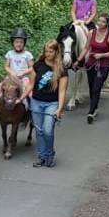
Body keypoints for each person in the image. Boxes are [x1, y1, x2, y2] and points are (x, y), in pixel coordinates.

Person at [29, 38, 67, 168]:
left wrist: (60, 108)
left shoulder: (61, 69)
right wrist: (21, 97)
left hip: (52, 103)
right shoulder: (38, 64)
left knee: (47, 130)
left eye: (51, 51)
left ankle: (50, 154)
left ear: (56, 52)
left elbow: (62, 91)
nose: (48, 54)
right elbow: (31, 84)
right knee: (39, 131)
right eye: (46, 51)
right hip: (36, 101)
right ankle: (42, 156)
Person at [0, 28, 34, 120]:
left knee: (31, 95)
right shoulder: (10, 54)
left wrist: (23, 72)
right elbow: (6, 66)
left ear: (24, 43)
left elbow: (32, 67)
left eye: (21, 42)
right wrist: (11, 72)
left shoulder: (27, 55)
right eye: (16, 42)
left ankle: (31, 114)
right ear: (13, 42)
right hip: (11, 78)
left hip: (23, 79)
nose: (18, 44)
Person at [82, 14, 109, 124]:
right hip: (91, 64)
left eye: (103, 22)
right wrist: (79, 60)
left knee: (96, 88)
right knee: (91, 87)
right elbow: (86, 48)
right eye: (99, 21)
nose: (100, 23)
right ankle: (95, 106)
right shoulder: (91, 33)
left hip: (103, 66)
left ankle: (91, 112)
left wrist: (101, 55)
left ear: (107, 23)